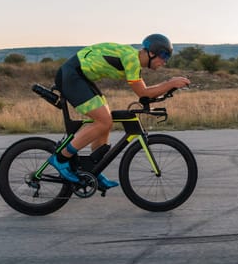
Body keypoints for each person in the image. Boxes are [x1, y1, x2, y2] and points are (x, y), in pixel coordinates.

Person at [48, 33, 191, 189]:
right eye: (164, 55)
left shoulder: (133, 60)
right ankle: (61, 158)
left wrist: (168, 87)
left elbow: (146, 93)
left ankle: (92, 170)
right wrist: (170, 83)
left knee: (106, 122)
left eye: (167, 58)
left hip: (80, 77)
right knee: (103, 121)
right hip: (72, 76)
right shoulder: (131, 59)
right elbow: (143, 93)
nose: (164, 61)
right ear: (151, 52)